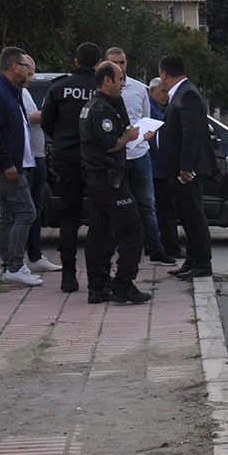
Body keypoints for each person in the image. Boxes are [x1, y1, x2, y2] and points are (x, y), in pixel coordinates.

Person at [78, 61, 149, 305]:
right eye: (119, 79)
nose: (122, 84)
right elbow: (109, 144)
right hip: (109, 180)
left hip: (98, 178)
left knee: (100, 233)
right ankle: (123, 284)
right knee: (133, 230)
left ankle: (98, 286)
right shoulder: (102, 109)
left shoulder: (96, 105)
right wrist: (128, 137)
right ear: (107, 80)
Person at [0, 46, 41, 286]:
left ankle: (9, 265)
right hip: (6, 165)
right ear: (15, 67)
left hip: (17, 162)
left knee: (9, 214)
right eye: (26, 66)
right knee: (27, 212)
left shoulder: (11, 91)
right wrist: (7, 164)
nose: (29, 71)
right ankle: (15, 266)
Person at [39, 43, 102, 292]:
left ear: (76, 61)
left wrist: (63, 140)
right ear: (98, 62)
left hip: (66, 159)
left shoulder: (59, 87)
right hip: (96, 160)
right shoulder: (101, 88)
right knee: (99, 216)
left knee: (69, 216)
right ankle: (99, 274)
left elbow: (46, 123)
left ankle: (68, 276)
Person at [105, 47, 173, 265]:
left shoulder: (138, 88)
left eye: (123, 62)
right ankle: (119, 248)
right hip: (116, 155)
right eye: (115, 62)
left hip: (139, 154)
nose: (120, 67)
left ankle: (155, 248)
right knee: (116, 204)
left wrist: (147, 133)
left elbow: (145, 116)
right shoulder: (102, 90)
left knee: (147, 203)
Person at [157, 54, 214, 279]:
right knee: (187, 216)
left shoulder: (187, 93)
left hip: (186, 171)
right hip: (177, 168)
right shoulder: (181, 92)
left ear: (164, 73)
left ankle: (202, 262)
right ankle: (192, 260)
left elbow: (191, 134)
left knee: (194, 216)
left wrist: (185, 167)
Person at [17, 54, 59, 275]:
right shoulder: (19, 92)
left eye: (33, 73)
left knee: (36, 207)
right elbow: (31, 117)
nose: (32, 78)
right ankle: (21, 258)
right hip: (30, 158)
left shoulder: (23, 91)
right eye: (30, 73)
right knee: (27, 209)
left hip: (37, 155)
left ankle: (34, 254)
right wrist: (53, 112)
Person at [147, 75, 181, 263]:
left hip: (159, 168)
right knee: (164, 208)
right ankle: (170, 246)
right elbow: (154, 140)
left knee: (165, 208)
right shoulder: (151, 110)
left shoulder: (160, 109)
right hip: (156, 168)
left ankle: (169, 245)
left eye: (167, 91)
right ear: (152, 91)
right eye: (162, 91)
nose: (166, 95)